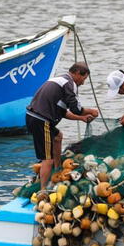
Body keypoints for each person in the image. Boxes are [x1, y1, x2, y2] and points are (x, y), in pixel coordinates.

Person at [26, 62, 99, 191]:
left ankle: (58, 168)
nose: (83, 82)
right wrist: (90, 111)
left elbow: (63, 112)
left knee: (58, 136)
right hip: (42, 121)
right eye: (84, 78)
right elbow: (76, 109)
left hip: (33, 117)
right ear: (77, 73)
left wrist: (81, 118)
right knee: (47, 158)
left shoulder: (60, 80)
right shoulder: (69, 84)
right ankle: (43, 190)